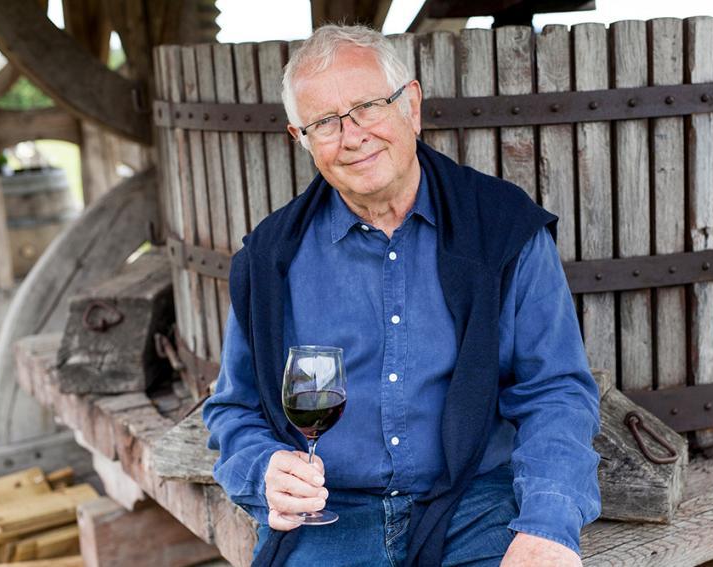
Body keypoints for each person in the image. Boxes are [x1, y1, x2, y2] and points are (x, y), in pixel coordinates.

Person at [203, 24, 601, 567]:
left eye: (368, 105)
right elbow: (234, 409)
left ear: (410, 105)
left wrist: (549, 524)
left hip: (476, 505)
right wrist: (262, 469)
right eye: (324, 123)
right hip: (333, 515)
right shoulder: (270, 259)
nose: (353, 135)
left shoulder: (502, 228)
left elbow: (553, 390)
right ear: (300, 139)